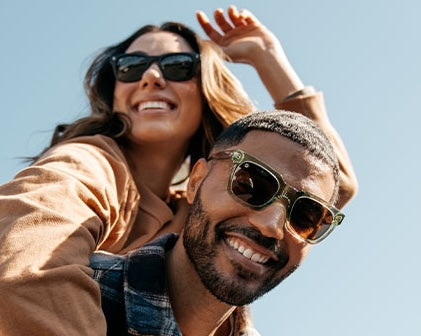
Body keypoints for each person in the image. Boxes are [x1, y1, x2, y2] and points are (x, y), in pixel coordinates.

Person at [0, 5, 357, 336]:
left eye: (177, 66)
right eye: (131, 67)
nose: (152, 76)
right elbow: (25, 272)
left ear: (205, 89)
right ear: (116, 92)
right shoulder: (89, 162)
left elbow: (324, 183)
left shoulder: (204, 202)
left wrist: (267, 56)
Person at [90, 110, 345, 336]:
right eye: (250, 186)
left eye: (305, 217)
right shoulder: (81, 293)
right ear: (195, 181)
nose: (271, 226)